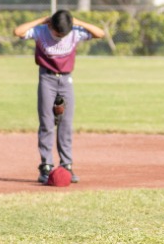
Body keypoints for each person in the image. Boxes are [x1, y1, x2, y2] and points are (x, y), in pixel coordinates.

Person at [13, 10, 106, 184]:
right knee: (47, 123)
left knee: (65, 124)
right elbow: (18, 32)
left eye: (64, 33)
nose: (61, 36)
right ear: (51, 26)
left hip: (66, 79)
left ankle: (66, 165)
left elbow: (100, 33)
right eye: (58, 33)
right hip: (46, 78)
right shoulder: (41, 31)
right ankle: (46, 165)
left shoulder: (74, 32)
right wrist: (42, 19)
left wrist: (78, 22)